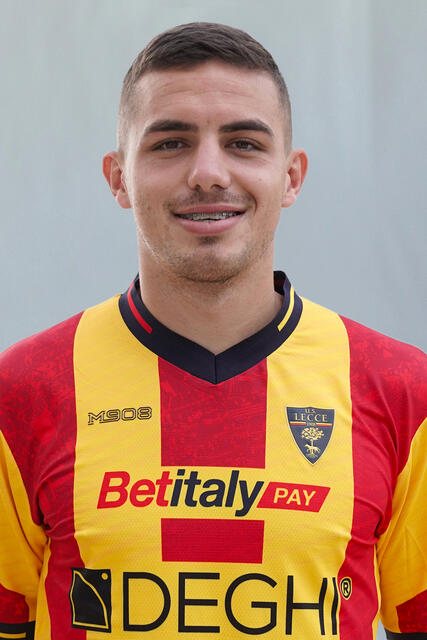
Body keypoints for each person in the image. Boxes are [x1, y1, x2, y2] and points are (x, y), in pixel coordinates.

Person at [0, 22, 425, 640]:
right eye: (170, 143)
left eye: (244, 143)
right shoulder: (22, 391)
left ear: (291, 177)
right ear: (118, 178)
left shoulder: (401, 391)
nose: (207, 172)